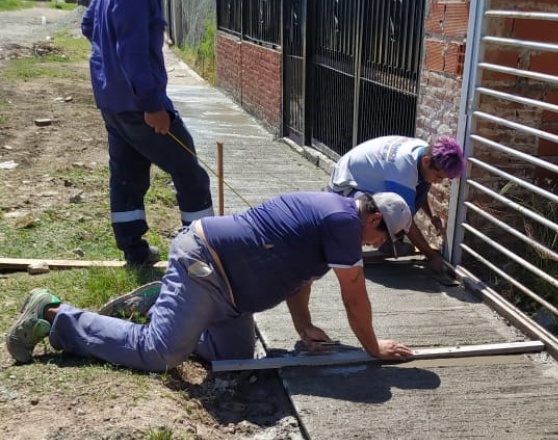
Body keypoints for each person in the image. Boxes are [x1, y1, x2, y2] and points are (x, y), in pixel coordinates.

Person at [6, 192, 414, 371]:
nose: (379, 246)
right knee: (160, 355)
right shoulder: (342, 222)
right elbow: (354, 296)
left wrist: (303, 326)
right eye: (384, 239)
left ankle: (167, 307)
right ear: (375, 218)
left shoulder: (337, 217)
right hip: (206, 266)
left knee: (231, 359)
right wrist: (373, 347)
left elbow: (300, 278)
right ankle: (56, 314)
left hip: (231, 295)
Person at [81, 0, 214, 265]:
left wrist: (109, 64)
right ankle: (202, 250)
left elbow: (88, 25)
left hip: (112, 101)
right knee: (188, 172)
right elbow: (133, 52)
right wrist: (152, 105)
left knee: (127, 175)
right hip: (139, 105)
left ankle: (134, 250)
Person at [328, 135, 466, 273]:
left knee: (424, 184)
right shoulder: (403, 168)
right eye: (439, 177)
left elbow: (417, 191)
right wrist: (431, 255)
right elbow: (406, 219)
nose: (439, 182)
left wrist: (433, 216)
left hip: (367, 180)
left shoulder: (424, 152)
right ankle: (349, 242)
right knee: (371, 213)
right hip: (345, 188)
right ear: (426, 161)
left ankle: (388, 237)